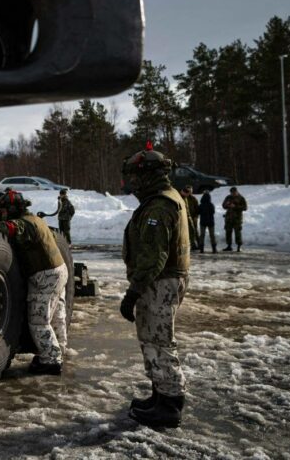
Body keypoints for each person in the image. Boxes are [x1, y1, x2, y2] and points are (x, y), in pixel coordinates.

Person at [119, 145, 190, 428]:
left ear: (149, 175)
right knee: (152, 338)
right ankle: (160, 394)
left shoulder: (160, 206)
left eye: (136, 176)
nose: (132, 182)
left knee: (160, 340)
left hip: (159, 282)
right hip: (162, 281)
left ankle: (170, 405)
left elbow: (153, 256)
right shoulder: (166, 198)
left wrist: (132, 293)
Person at [0, 189, 69, 375]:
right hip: (58, 270)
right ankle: (60, 347)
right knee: (57, 314)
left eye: (2, 211)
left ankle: (51, 360)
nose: (0, 215)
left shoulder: (25, 223)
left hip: (45, 274)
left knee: (39, 320)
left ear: (11, 209)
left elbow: (7, 228)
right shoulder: (35, 219)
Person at [222, 187, 247, 252]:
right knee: (228, 232)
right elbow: (223, 205)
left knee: (238, 233)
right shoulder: (228, 197)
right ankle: (229, 246)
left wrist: (236, 206)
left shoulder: (241, 198)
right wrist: (227, 205)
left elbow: (245, 207)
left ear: (236, 191)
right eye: (231, 193)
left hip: (237, 219)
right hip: (229, 218)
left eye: (234, 192)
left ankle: (239, 246)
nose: (233, 194)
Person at [180, 185, 200, 250]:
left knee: (194, 231)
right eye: (188, 191)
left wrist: (196, 217)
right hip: (184, 217)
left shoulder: (194, 199)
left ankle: (198, 244)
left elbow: (197, 209)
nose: (189, 192)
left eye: (190, 191)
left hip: (192, 217)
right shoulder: (183, 198)